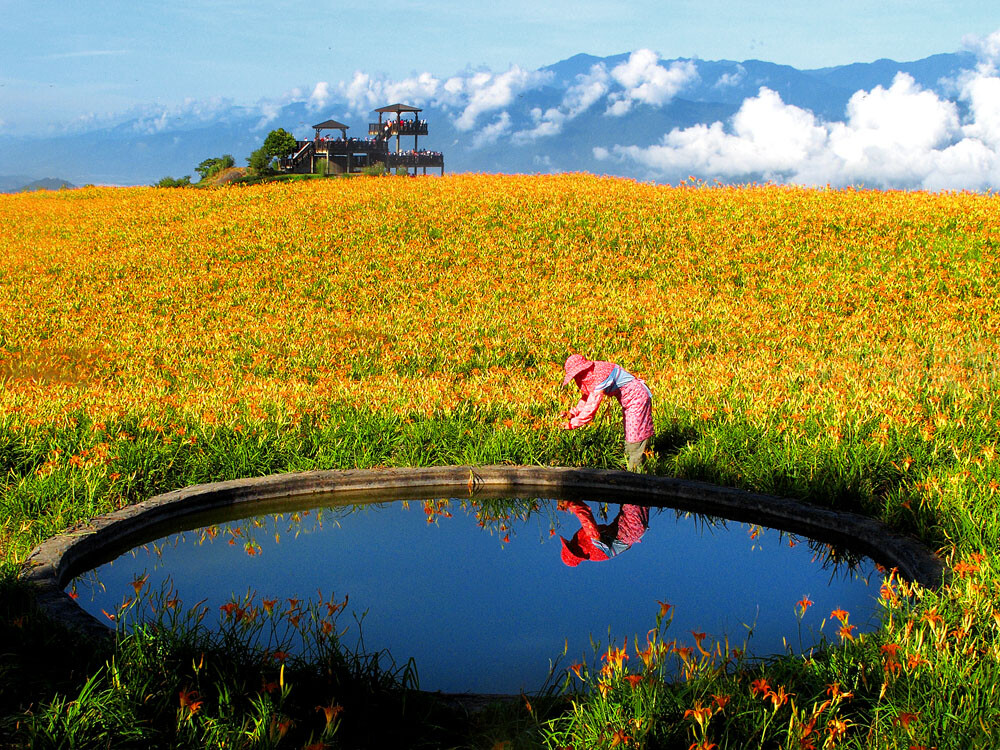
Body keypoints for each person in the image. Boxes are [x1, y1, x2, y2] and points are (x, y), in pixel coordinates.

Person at [561, 354, 653, 471]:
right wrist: (573, 413)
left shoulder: (599, 377)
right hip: (629, 401)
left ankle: (636, 475)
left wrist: (572, 424)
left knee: (635, 436)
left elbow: (591, 406)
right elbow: (587, 397)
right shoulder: (592, 373)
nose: (577, 379)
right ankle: (632, 470)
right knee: (631, 434)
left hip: (637, 399)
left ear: (584, 369)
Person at [558, 500, 649, 566]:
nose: (572, 541)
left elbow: (625, 546)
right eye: (570, 545)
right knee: (633, 490)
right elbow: (586, 518)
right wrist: (570, 503)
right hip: (632, 525)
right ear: (575, 551)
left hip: (632, 528)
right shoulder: (593, 548)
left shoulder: (596, 555)